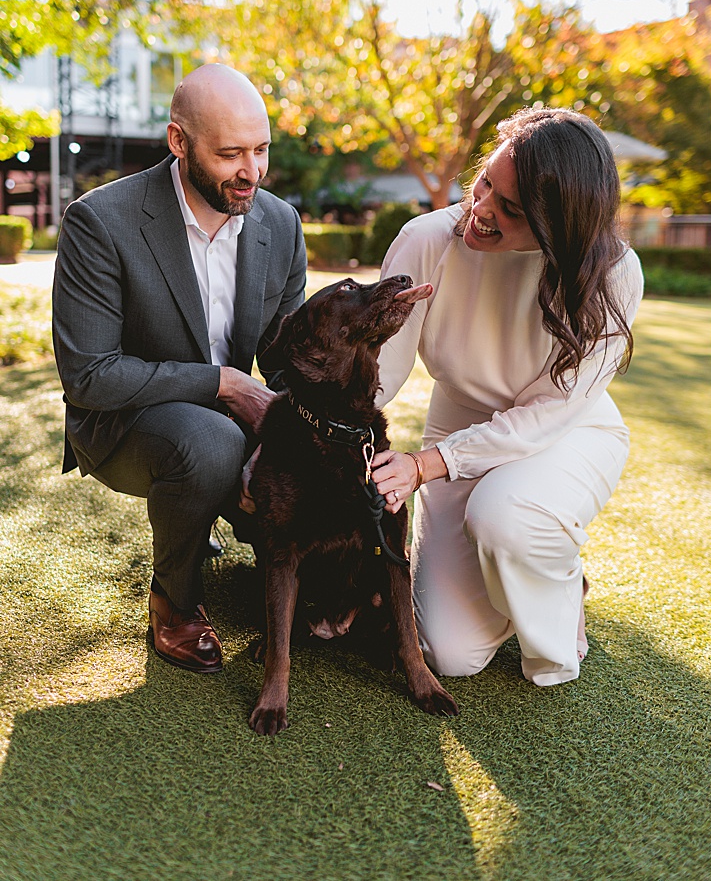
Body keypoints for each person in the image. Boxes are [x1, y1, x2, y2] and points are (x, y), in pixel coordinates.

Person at [368, 107, 642, 687]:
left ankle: (552, 576)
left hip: (566, 435)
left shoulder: (613, 274)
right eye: (486, 180)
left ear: (557, 225)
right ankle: (523, 568)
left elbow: (548, 413)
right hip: (460, 420)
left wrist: (425, 466)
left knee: (504, 517)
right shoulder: (427, 241)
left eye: (510, 208)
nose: (481, 207)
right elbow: (379, 374)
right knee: (449, 654)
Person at [52, 64, 308, 672]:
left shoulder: (280, 223)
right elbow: (89, 376)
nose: (251, 172)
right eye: (230, 154)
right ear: (178, 142)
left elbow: (289, 365)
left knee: (288, 494)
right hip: (121, 423)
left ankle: (213, 511)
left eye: (261, 150)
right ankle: (174, 601)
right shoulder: (100, 223)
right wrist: (219, 382)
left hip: (234, 419)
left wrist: (296, 444)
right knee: (211, 441)